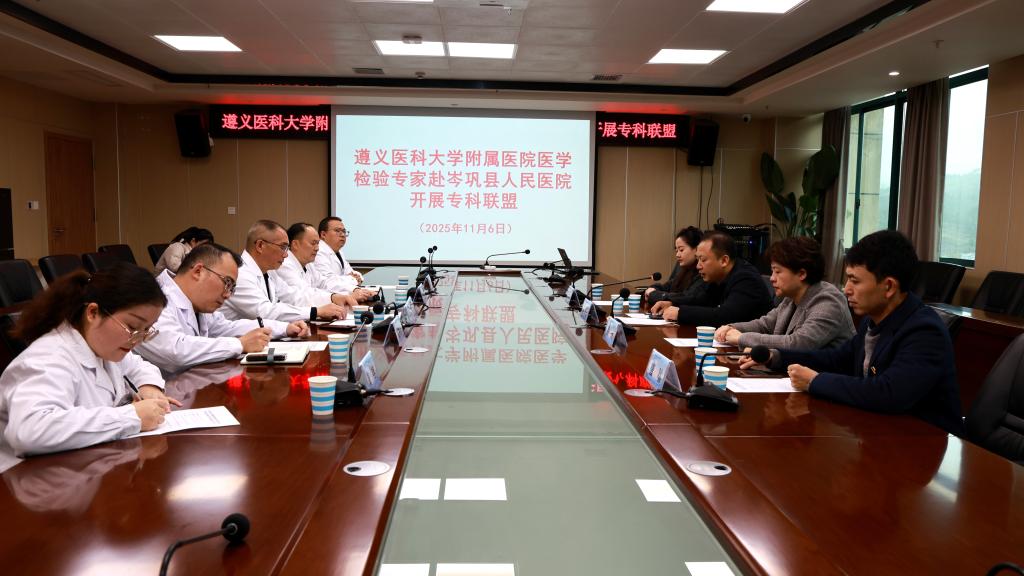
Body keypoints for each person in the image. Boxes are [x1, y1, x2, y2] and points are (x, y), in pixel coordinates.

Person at [746, 230, 963, 435]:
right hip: (880, 432)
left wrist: (815, 381)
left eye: (855, 281)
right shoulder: (873, 319)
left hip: (922, 440)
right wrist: (776, 357)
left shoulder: (924, 331)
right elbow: (836, 359)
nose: (846, 289)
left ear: (889, 287)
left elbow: (889, 392)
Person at [0, 262, 179, 457]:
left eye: (146, 330)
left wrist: (149, 387)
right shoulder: (48, 358)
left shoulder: (105, 346)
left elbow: (138, 366)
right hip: (29, 472)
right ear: (93, 313)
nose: (137, 339)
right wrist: (131, 417)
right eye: (132, 326)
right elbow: (30, 431)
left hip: (87, 462)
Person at [135, 243, 309, 374]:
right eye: (227, 283)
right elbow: (175, 351)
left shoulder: (197, 304)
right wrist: (239, 344)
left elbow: (228, 327)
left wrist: (284, 328)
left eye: (232, 288)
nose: (227, 295)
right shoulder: (154, 298)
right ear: (198, 271)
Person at [715, 236, 854, 350]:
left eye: (777, 271)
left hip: (825, 375)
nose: (772, 278)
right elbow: (765, 325)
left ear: (801, 274)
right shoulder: (791, 297)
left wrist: (741, 338)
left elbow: (798, 343)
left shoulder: (828, 302)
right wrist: (732, 328)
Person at [219, 220, 351, 322]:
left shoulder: (269, 272)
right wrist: (315, 312)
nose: (286, 254)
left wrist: (332, 298)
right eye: (283, 247)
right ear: (260, 245)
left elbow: (293, 295)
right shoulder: (239, 274)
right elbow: (265, 312)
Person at [650, 231, 772, 326]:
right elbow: (699, 299)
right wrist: (671, 303)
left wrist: (680, 313)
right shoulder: (717, 276)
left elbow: (725, 316)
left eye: (703, 260)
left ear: (724, 260)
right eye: (697, 259)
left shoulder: (746, 278)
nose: (698, 266)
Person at [276, 222, 360, 312]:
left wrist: (353, 290)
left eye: (317, 243)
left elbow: (324, 283)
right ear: (295, 244)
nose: (317, 248)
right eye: (313, 243)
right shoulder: (284, 265)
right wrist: (334, 298)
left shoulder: (308, 264)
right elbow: (303, 294)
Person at [312, 216, 373, 302]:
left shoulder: (339, 251)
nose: (342, 235)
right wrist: (352, 279)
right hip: (327, 300)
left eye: (344, 231)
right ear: (323, 235)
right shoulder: (318, 252)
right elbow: (328, 282)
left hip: (341, 296)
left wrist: (352, 278)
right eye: (337, 231)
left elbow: (354, 273)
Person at [645, 226, 706, 305]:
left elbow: (686, 298)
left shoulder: (703, 273)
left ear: (696, 249)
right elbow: (664, 287)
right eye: (676, 251)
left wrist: (653, 294)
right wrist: (652, 288)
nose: (677, 255)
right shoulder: (683, 271)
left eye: (681, 250)